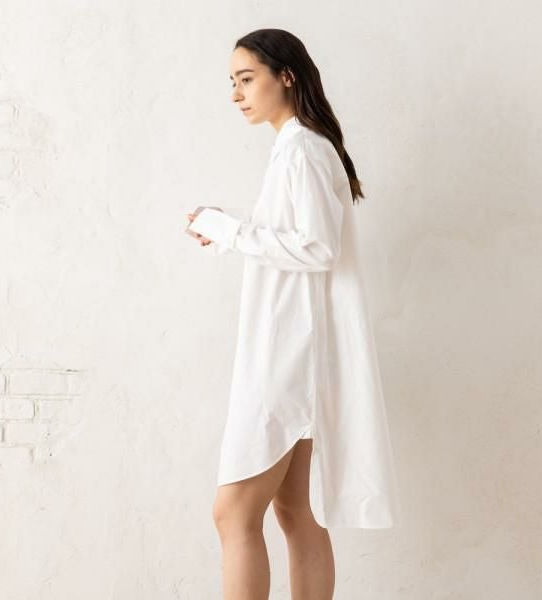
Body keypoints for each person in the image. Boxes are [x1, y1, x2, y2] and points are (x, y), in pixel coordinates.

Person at [186, 28, 402, 600]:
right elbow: (298, 238)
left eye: (246, 78)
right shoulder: (300, 146)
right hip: (297, 349)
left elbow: (317, 247)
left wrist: (229, 230)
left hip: (287, 355)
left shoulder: (302, 148)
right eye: (232, 82)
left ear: (286, 76)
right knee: (294, 512)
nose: (236, 93)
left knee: (234, 514)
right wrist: (227, 226)